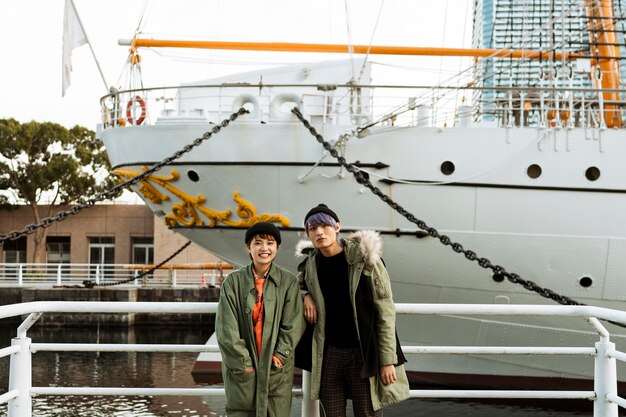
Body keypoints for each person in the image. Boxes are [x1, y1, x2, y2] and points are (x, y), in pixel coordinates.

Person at [295, 204, 410, 417]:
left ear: (337, 227)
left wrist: (387, 360)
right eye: (312, 228)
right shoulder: (311, 264)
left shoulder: (366, 260)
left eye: (324, 225)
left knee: (367, 413)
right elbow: (296, 285)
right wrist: (305, 295)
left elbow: (385, 311)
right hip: (329, 353)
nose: (319, 232)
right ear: (308, 234)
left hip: (362, 352)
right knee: (331, 414)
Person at [216, 222, 305, 417]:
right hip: (242, 372)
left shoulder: (288, 282)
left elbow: (294, 324)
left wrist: (279, 357)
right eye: (258, 243)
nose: (264, 248)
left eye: (270, 243)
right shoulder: (233, 282)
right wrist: (244, 366)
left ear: (277, 248)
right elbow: (227, 331)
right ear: (249, 247)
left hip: (277, 370)